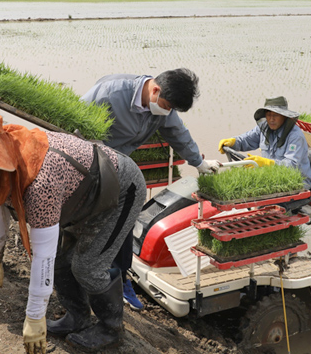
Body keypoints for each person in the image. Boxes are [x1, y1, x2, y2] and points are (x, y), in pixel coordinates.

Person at [0, 108, 146, 353]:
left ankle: (111, 328)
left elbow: (43, 253)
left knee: (88, 267)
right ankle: (78, 317)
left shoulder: (39, 181)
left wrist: (34, 318)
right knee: (61, 262)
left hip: (119, 191)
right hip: (79, 195)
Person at [81, 68, 220, 310]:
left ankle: (119, 280)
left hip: (120, 166)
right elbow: (72, 120)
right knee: (87, 221)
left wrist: (198, 162)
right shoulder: (110, 93)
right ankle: (79, 275)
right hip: (89, 162)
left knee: (124, 219)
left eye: (171, 109)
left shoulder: (163, 107)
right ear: (155, 90)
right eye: (166, 105)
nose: (167, 112)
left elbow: (178, 133)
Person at [218, 96, 311, 213]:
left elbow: (292, 166)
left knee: (263, 206)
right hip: (272, 177)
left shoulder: (295, 136)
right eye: (268, 115)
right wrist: (233, 142)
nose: (271, 119)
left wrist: (267, 163)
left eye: (276, 115)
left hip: (298, 182)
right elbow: (246, 139)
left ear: (284, 116)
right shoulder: (264, 128)